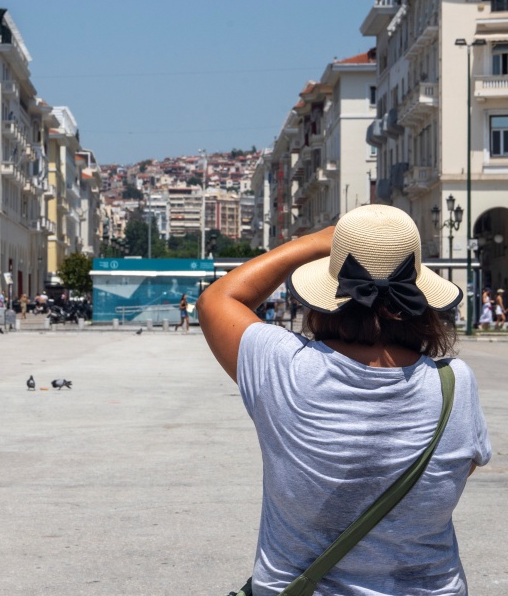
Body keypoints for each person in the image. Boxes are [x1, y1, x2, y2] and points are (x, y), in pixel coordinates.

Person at [197, 205, 491, 596]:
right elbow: (455, 472)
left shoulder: (284, 366)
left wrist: (316, 242)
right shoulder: (455, 384)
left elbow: (218, 299)